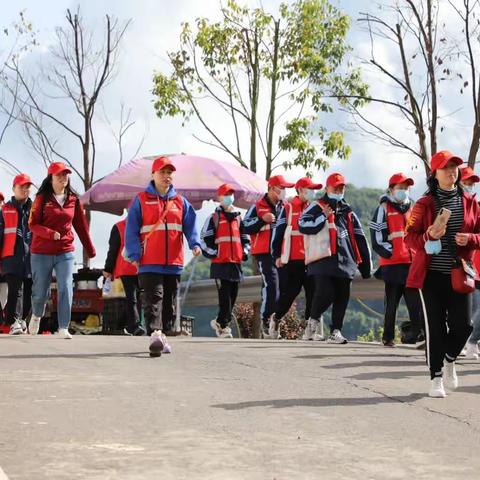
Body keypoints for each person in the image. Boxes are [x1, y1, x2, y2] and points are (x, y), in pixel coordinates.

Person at [404, 150, 480, 398]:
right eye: (446, 168)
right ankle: (435, 377)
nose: (452, 171)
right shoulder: (423, 204)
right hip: (431, 276)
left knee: (464, 326)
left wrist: (469, 238)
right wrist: (428, 236)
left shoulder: (470, 202)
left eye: (455, 167)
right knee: (435, 328)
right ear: (434, 174)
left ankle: (449, 359)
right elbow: (409, 238)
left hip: (460, 274)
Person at [125, 156, 201, 357]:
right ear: (153, 174)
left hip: (173, 262)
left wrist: (194, 244)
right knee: (154, 298)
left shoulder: (180, 201)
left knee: (169, 303)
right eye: (162, 172)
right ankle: (154, 334)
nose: (167, 176)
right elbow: (131, 228)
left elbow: (190, 225)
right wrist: (134, 253)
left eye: (169, 173)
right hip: (149, 261)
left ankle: (162, 334)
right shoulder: (141, 200)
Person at [299, 172, 372, 344]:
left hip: (346, 261)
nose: (339, 190)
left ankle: (336, 331)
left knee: (342, 296)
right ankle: (312, 322)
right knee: (325, 292)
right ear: (327, 188)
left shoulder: (349, 212)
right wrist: (322, 215)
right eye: (335, 187)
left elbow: (360, 238)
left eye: (342, 187)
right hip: (322, 260)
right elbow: (302, 225)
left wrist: (365, 267)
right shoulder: (316, 206)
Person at [28, 162, 96, 338]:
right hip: (41, 251)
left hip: (65, 251)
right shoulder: (41, 198)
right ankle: (36, 315)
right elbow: (32, 225)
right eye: (59, 175)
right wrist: (49, 233)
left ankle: (63, 326)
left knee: (66, 286)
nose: (63, 178)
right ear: (51, 177)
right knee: (40, 291)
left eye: (65, 175)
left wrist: (90, 249)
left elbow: (81, 226)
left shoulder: (74, 199)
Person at [369, 173, 422, 347]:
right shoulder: (383, 209)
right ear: (391, 189)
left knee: (415, 304)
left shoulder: (413, 208)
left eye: (406, 188)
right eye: (400, 188)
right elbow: (377, 237)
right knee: (391, 303)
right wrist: (391, 253)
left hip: (411, 263)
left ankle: (418, 335)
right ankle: (388, 337)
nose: (404, 191)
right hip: (392, 264)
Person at [270, 176, 321, 340]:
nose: (312, 192)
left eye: (313, 189)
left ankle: (309, 330)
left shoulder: (314, 207)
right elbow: (278, 232)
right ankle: (276, 318)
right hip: (293, 259)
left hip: (311, 258)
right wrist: (276, 255)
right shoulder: (288, 208)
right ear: (299, 190)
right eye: (309, 189)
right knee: (291, 292)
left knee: (313, 293)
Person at [243, 175, 294, 337]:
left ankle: (275, 322)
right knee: (271, 285)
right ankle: (266, 320)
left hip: (283, 254)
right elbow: (244, 227)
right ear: (272, 188)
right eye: (282, 187)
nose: (284, 191)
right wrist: (261, 220)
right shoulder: (257, 207)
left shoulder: (286, 207)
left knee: (285, 288)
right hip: (264, 254)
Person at [200, 183, 250, 338]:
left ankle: (220, 322)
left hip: (236, 262)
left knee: (233, 295)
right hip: (220, 264)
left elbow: (246, 239)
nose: (229, 197)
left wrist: (244, 252)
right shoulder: (213, 218)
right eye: (226, 194)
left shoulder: (239, 218)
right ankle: (225, 327)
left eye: (231, 194)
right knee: (225, 296)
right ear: (219, 198)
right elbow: (204, 240)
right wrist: (215, 253)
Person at [0, 174, 33, 335]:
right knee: (15, 290)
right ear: (14, 189)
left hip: (31, 257)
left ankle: (20, 319)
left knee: (30, 292)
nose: (24, 190)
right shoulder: (4, 209)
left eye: (27, 187)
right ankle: (13, 322)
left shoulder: (35, 209)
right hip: (11, 257)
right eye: (21, 186)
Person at [103, 215, 145, 336]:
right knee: (134, 297)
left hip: (127, 267)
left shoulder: (119, 227)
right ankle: (135, 325)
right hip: (140, 267)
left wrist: (108, 269)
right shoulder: (143, 227)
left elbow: (113, 250)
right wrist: (108, 268)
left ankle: (132, 325)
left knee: (132, 297)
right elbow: (113, 250)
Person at [459, 166, 480, 360]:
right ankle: (467, 342)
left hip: (473, 269)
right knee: (468, 312)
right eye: (466, 183)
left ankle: (470, 342)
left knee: (475, 311)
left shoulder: (477, 208)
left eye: (472, 184)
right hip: (460, 268)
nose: (470, 187)